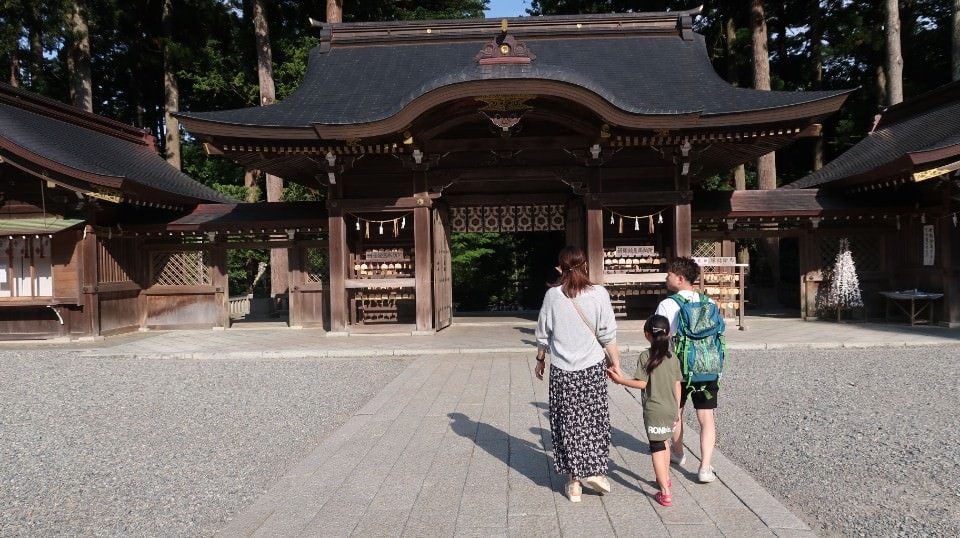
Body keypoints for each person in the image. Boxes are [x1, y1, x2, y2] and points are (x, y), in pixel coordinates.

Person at [534, 245, 623, 503]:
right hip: (592, 366)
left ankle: (574, 482)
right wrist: (615, 363)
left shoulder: (553, 296)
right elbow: (607, 334)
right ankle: (595, 470)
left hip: (562, 369)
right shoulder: (599, 293)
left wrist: (540, 359)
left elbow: (542, 333)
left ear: (560, 267)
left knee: (567, 422)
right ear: (585, 265)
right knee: (594, 419)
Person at [654, 256, 719, 484]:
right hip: (706, 365)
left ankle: (678, 453)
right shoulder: (709, 303)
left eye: (669, 274)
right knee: (706, 416)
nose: (666, 277)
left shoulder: (668, 304)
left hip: (679, 366)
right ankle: (705, 467)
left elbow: (662, 337)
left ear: (680, 279)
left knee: (677, 412)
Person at [606, 314, 682, 507]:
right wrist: (677, 411)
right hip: (671, 408)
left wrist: (619, 380)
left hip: (654, 410)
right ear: (669, 333)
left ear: (647, 335)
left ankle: (664, 492)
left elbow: (641, 383)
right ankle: (665, 479)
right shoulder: (673, 357)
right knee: (664, 443)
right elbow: (677, 386)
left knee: (656, 447)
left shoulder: (646, 356)